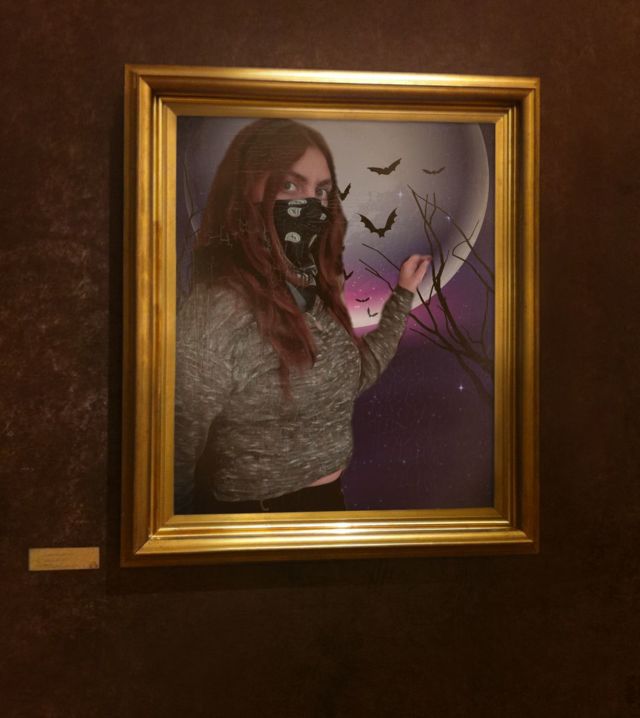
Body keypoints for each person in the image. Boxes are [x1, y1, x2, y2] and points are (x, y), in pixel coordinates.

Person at [174, 118, 430, 514]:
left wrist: (403, 294)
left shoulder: (311, 294)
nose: (311, 206)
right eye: (290, 185)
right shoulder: (218, 312)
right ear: (245, 191)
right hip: (257, 521)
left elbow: (350, 378)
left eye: (321, 191)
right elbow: (173, 452)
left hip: (326, 507)